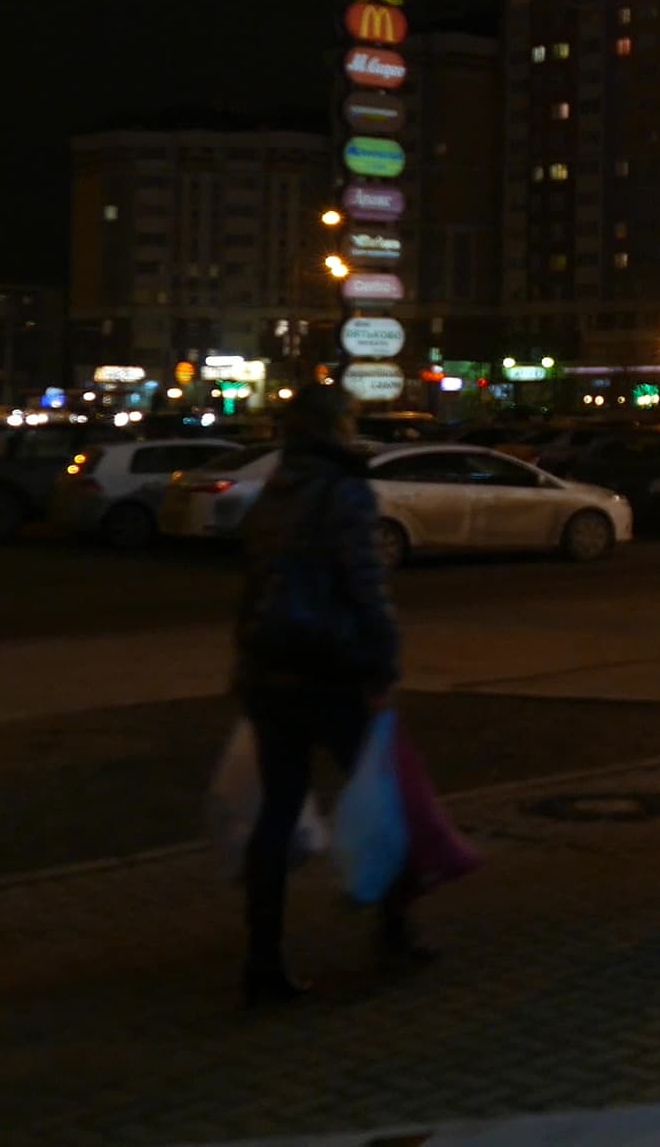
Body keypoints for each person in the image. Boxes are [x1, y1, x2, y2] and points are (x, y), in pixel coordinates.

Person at [233, 384, 408, 1006]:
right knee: (381, 796)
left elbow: (252, 586)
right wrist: (383, 665)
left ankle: (263, 959)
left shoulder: (275, 490)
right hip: (333, 670)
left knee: (277, 813)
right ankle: (396, 927)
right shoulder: (344, 490)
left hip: (272, 671)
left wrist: (245, 667)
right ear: (336, 427)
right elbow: (366, 587)